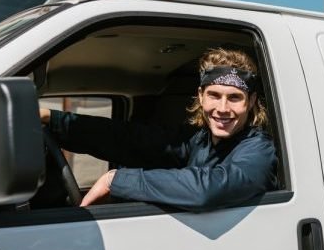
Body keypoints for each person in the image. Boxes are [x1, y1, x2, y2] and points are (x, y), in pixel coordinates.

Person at [39, 48, 277, 210]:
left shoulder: (259, 149)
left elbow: (208, 188)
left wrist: (117, 180)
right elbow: (129, 139)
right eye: (214, 95)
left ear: (252, 101)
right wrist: (55, 120)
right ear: (201, 97)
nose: (222, 108)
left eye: (234, 98)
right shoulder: (198, 139)